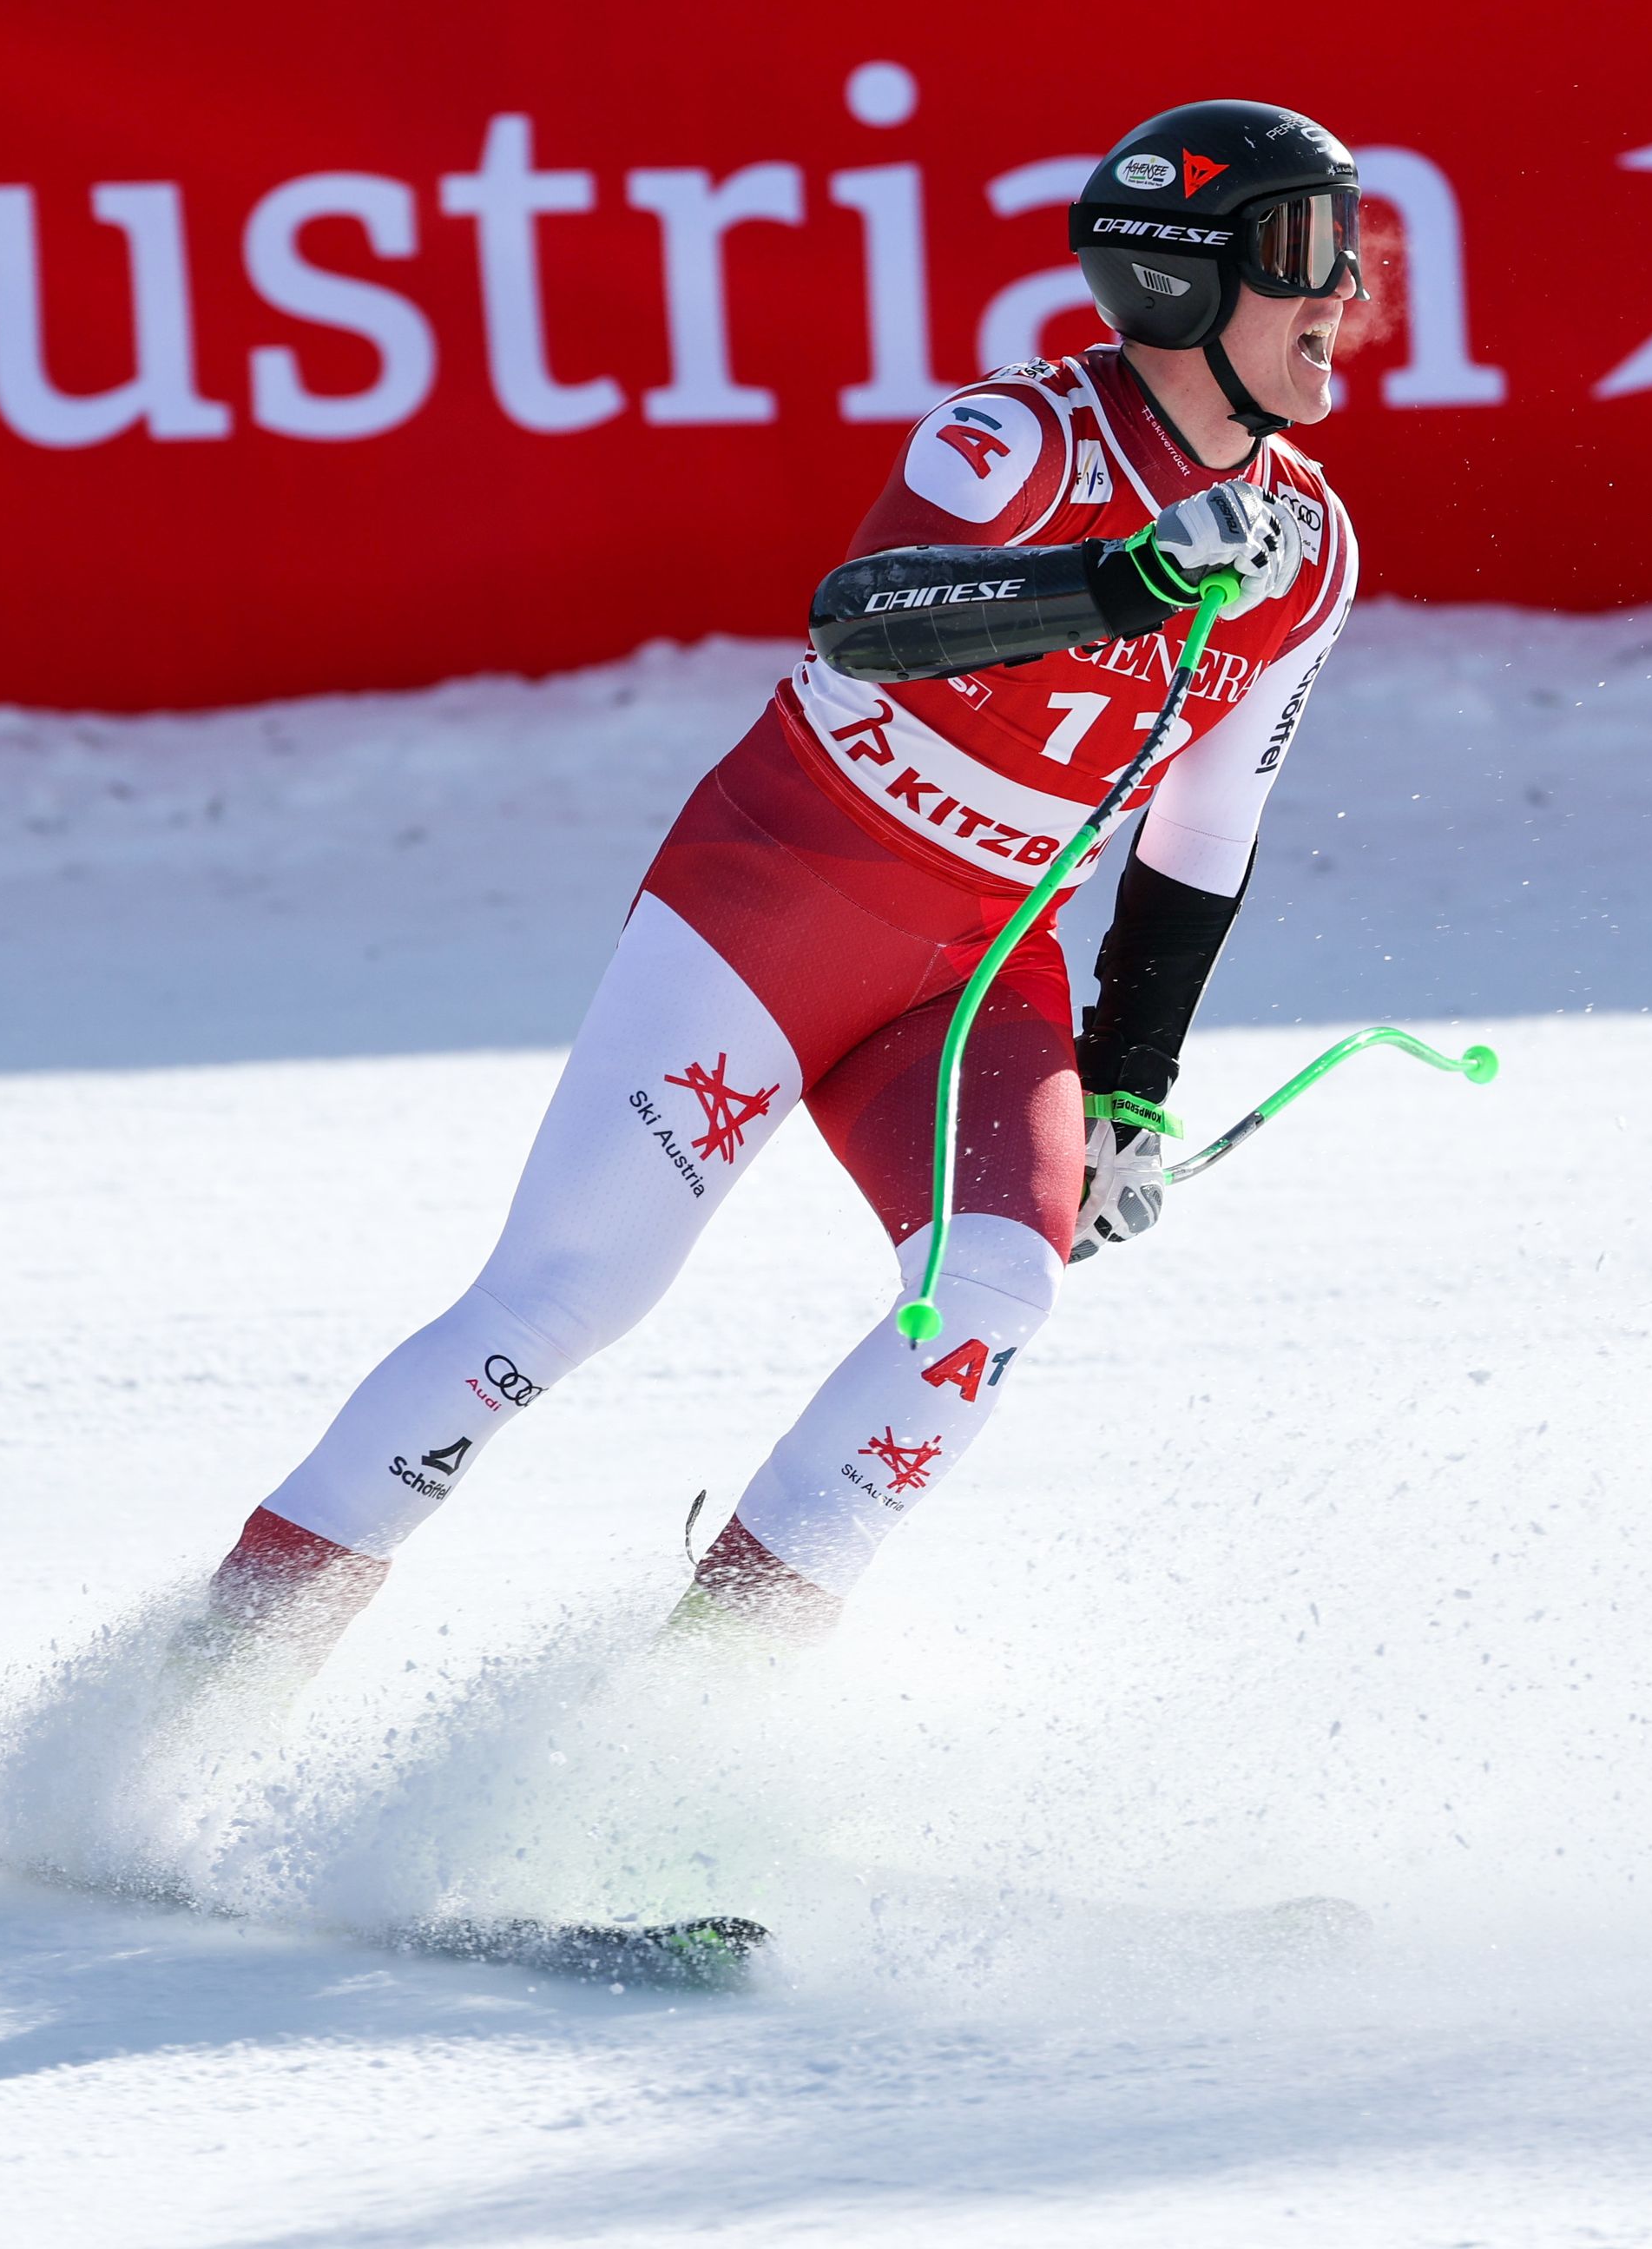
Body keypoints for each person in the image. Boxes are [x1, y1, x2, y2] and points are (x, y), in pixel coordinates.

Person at [197, 98, 1366, 1667]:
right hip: (776, 903)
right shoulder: (1018, 439)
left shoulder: (1312, 550)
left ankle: (692, 1704)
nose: (1343, 289)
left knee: (993, 1294)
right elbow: (862, 619)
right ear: (1181, 279)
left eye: (1349, 246)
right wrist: (1123, 578)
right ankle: (211, 1676)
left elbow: (1206, 833)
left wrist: (1132, 1080)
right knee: (559, 1301)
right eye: (1302, 248)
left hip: (981, 961)